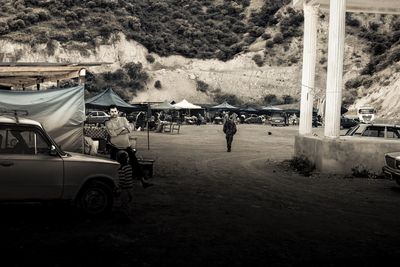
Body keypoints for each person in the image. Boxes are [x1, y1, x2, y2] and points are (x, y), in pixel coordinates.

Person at [105, 105, 153, 188]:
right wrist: (122, 129)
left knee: (135, 164)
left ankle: (143, 182)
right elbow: (112, 134)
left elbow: (130, 129)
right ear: (109, 113)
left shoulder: (123, 119)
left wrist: (117, 131)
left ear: (117, 111)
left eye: (115, 111)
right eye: (112, 112)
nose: (114, 113)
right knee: (113, 165)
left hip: (126, 145)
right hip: (115, 147)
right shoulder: (107, 122)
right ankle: (113, 185)